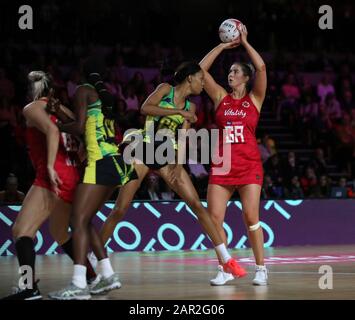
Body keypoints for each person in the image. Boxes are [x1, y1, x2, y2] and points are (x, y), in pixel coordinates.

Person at [90, 62, 247, 281]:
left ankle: (226, 260)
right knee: (120, 208)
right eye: (201, 79)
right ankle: (92, 258)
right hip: (143, 150)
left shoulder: (192, 108)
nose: (204, 83)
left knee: (196, 205)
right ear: (190, 78)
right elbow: (145, 108)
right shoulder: (166, 89)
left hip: (167, 155)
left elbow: (182, 137)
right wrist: (178, 111)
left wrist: (178, 164)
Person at [48, 59, 138, 300]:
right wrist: (59, 112)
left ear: (80, 74)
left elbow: (78, 127)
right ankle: (108, 274)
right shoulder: (102, 94)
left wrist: (53, 124)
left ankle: (78, 283)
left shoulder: (82, 91)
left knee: (76, 220)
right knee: (85, 220)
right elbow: (88, 125)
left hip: (99, 161)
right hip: (115, 161)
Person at [1, 71, 94, 300]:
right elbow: (81, 137)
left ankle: (28, 287)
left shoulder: (31, 108)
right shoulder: (64, 111)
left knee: (21, 231)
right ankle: (92, 276)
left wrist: (51, 167)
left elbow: (52, 131)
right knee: (60, 232)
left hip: (51, 176)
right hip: (72, 176)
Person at [199, 23, 268, 285]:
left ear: (246, 77)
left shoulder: (255, 99)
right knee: (214, 219)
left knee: (251, 217)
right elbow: (200, 71)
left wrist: (245, 42)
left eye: (235, 71)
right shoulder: (219, 97)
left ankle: (261, 268)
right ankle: (225, 268)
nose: (230, 74)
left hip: (249, 165)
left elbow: (261, 67)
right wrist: (223, 46)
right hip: (223, 165)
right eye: (229, 71)